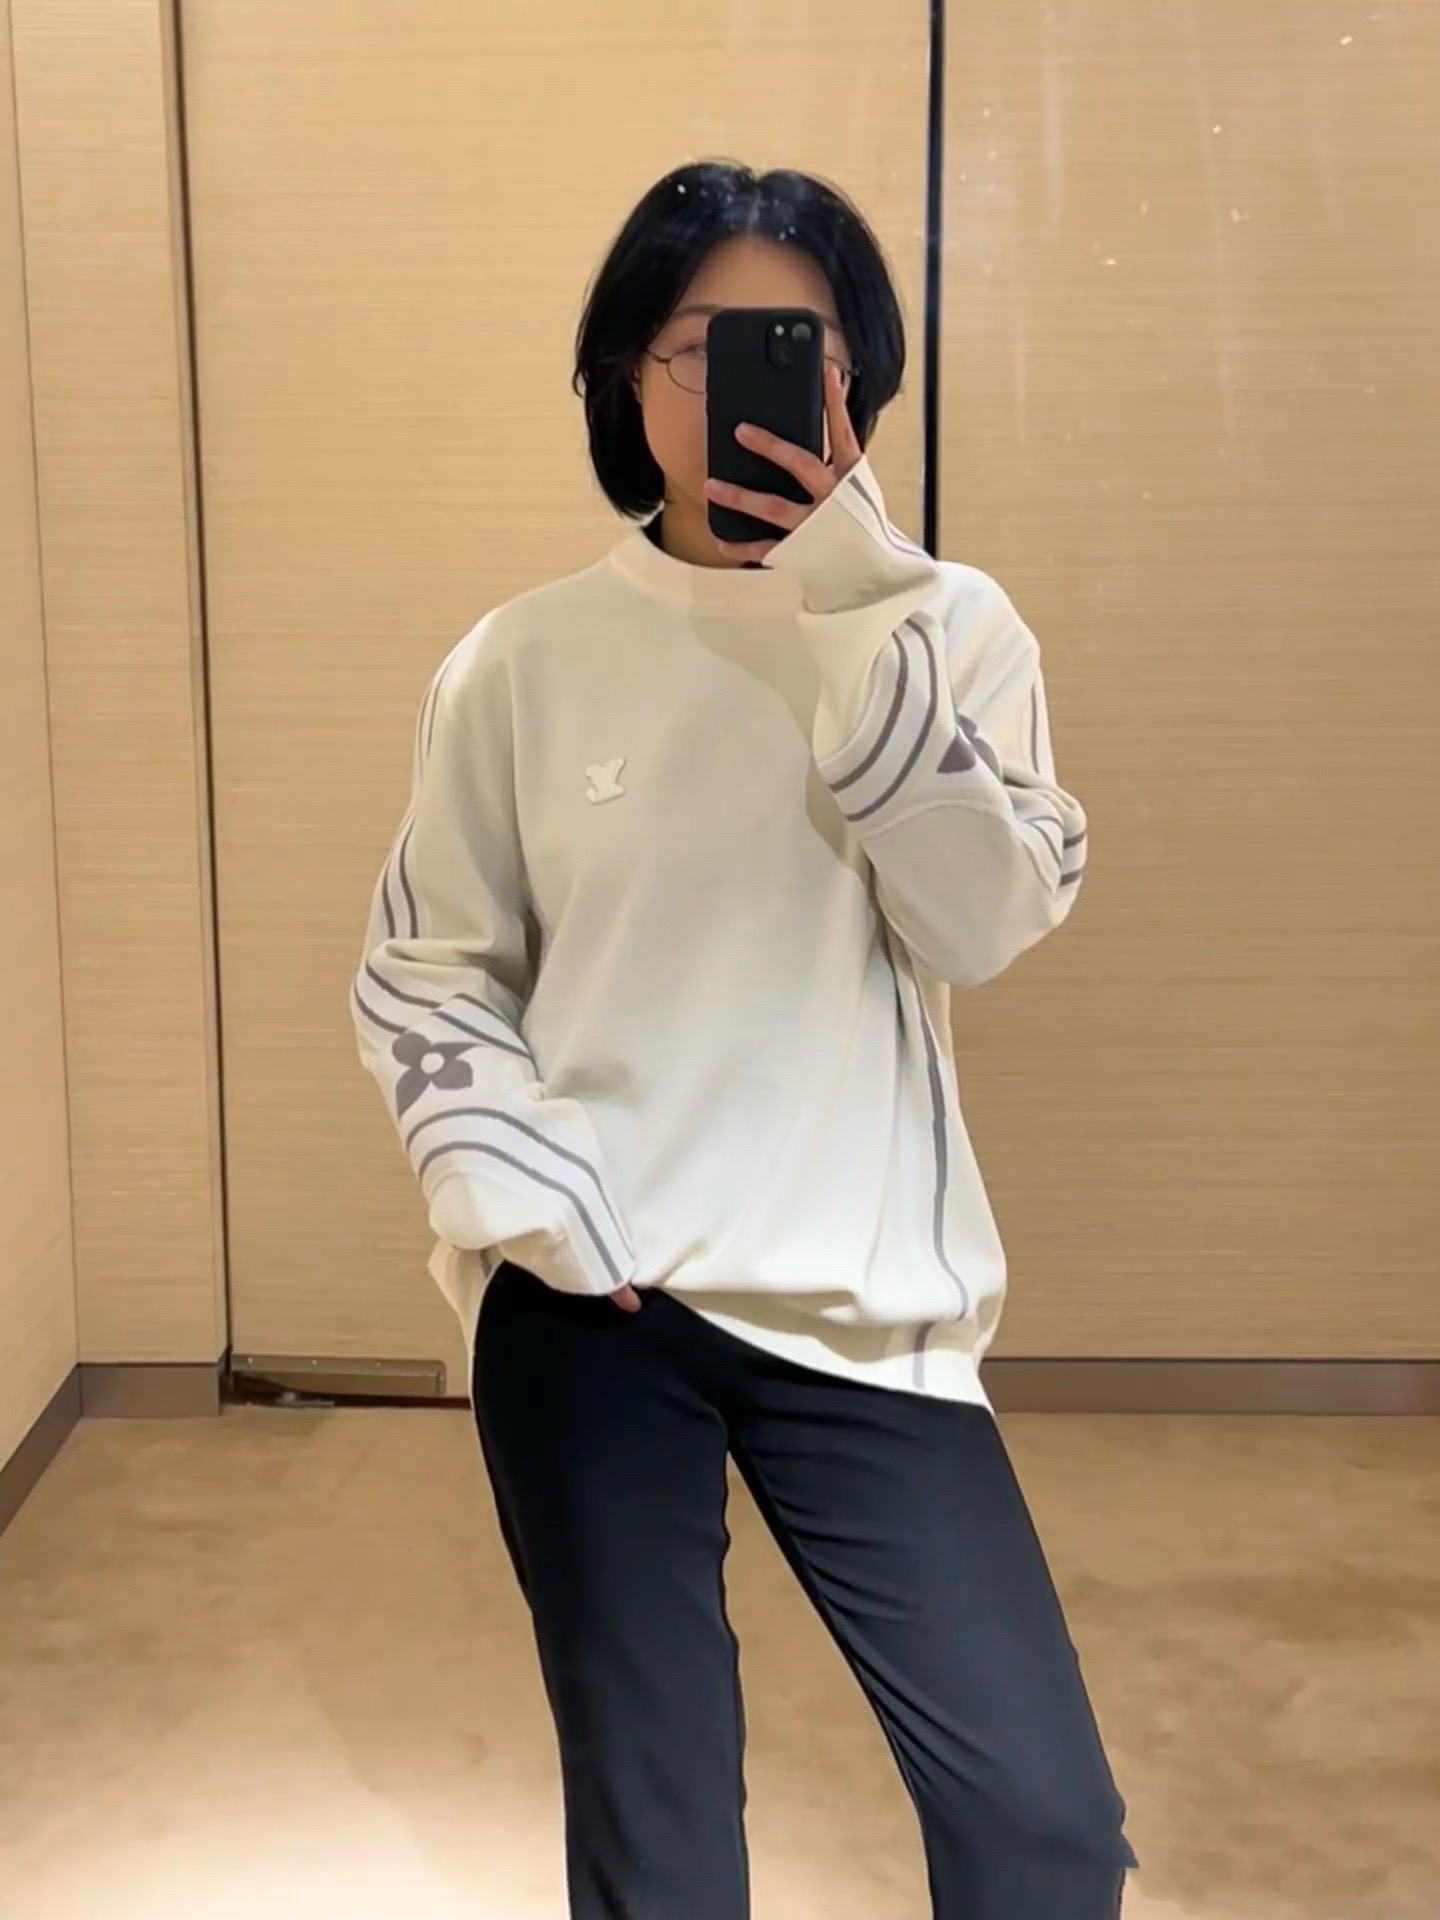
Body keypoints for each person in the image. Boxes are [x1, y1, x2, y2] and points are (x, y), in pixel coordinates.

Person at [352, 159, 1138, 1920]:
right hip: (593, 1299)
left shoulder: (950, 629)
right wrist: (529, 1195)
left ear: (860, 380)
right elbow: (429, 968)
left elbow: (978, 919)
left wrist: (856, 604)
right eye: (710, 348)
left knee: (1043, 1833)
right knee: (662, 1854)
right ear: (625, 377)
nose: (762, 387)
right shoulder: (520, 662)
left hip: (863, 1301)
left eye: (808, 349)